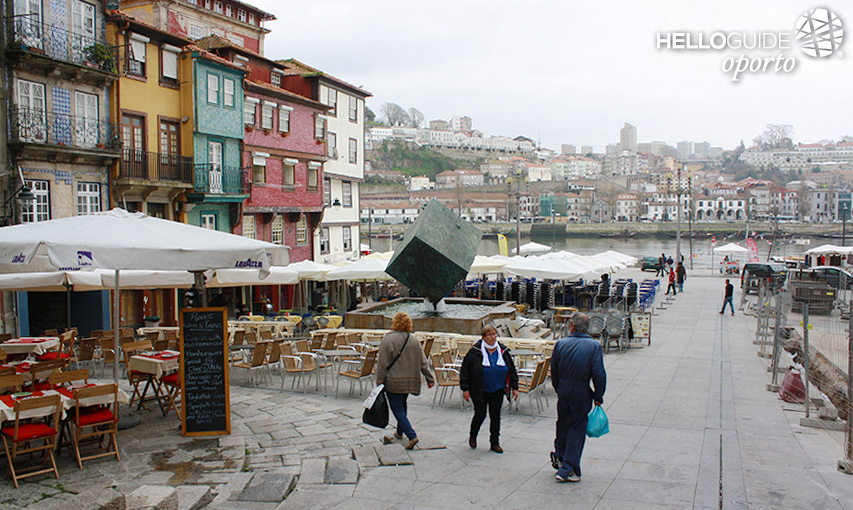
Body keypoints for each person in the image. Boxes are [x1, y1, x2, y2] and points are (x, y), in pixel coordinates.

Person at [550, 313, 606, 483]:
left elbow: (554, 370)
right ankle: (566, 468)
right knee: (577, 429)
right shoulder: (593, 346)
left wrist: (559, 388)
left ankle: (564, 461)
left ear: (572, 325)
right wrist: (598, 395)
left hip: (564, 389)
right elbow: (599, 374)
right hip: (581, 390)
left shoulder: (561, 344)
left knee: (563, 426)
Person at [376, 312, 435, 450]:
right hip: (410, 381)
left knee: (397, 408)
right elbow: (423, 362)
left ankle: (411, 435)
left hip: (393, 381)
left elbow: (382, 364)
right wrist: (429, 378)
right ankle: (399, 431)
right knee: (402, 405)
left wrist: (379, 382)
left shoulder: (388, 340)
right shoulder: (413, 340)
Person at [459, 324, 519, 453]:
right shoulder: (474, 352)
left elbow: (511, 369)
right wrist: (465, 389)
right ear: (483, 337)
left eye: (494, 334)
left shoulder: (503, 351)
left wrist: (515, 387)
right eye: (490, 335)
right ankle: (473, 435)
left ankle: (494, 443)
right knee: (480, 415)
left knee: (496, 416)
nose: (493, 337)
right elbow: (465, 371)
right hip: (479, 389)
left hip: (497, 389)